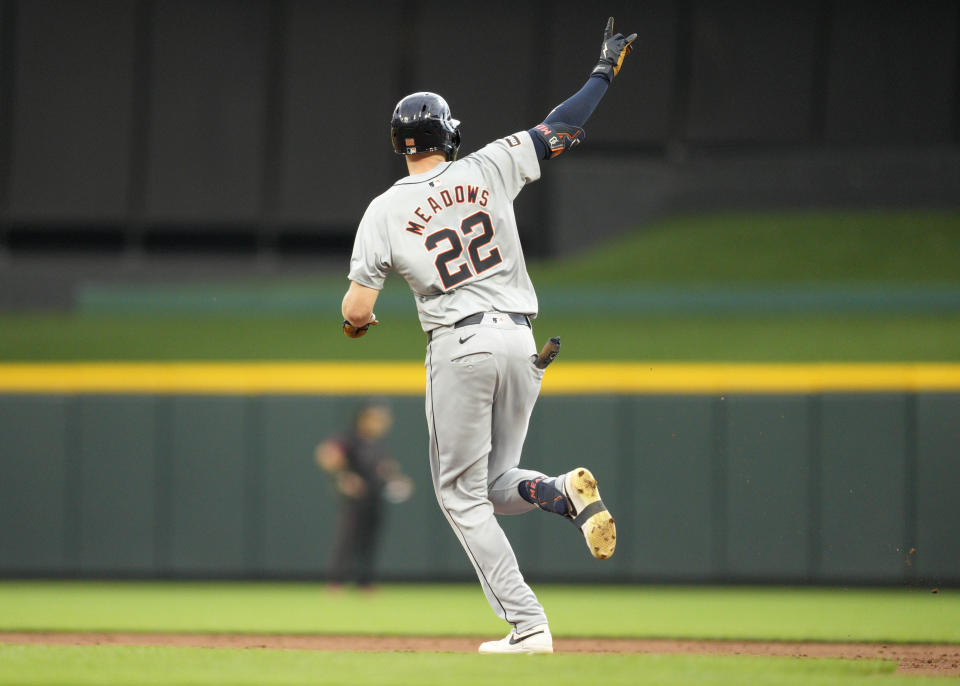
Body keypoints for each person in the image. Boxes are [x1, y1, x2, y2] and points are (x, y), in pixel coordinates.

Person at [339, 18, 636, 653]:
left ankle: (528, 626)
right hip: (523, 343)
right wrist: (601, 71)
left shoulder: (385, 208)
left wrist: (357, 323)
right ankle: (558, 492)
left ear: (400, 144)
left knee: (458, 496)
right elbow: (562, 127)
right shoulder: (491, 164)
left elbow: (358, 305)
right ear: (447, 134)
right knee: (495, 484)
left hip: (461, 345)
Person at [314, 400, 412, 588]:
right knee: (347, 540)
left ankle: (365, 583)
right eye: (377, 419)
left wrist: (396, 479)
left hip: (375, 498)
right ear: (364, 418)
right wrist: (343, 476)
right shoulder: (349, 438)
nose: (382, 423)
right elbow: (327, 454)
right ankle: (336, 582)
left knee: (370, 542)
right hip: (354, 501)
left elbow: (385, 469)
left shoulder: (378, 444)